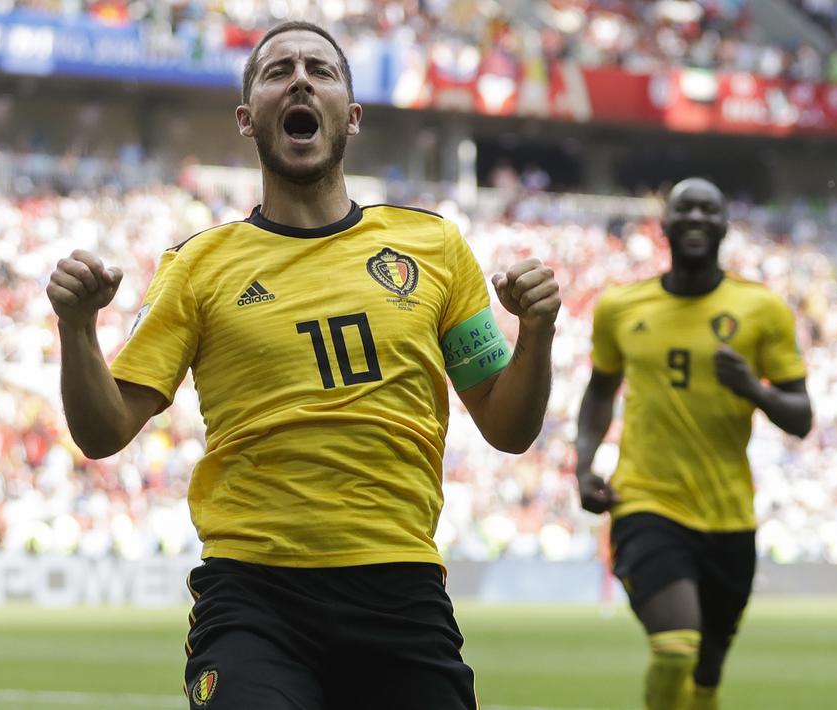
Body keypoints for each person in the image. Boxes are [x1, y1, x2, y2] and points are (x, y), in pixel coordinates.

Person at [45, 21, 561, 710]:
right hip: (254, 596)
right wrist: (77, 327)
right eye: (276, 70)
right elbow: (103, 432)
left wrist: (537, 332)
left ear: (350, 116)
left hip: (398, 588)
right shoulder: (197, 266)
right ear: (245, 117)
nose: (298, 78)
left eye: (319, 69)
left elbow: (507, 425)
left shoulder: (432, 247)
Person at [573, 178, 812, 710]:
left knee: (705, 675)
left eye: (709, 209)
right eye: (685, 209)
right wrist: (584, 465)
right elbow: (599, 393)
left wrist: (753, 388)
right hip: (646, 502)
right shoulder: (621, 307)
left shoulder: (761, 309)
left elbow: (801, 418)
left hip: (729, 516)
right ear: (666, 223)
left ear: (725, 225)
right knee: (676, 649)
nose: (697, 218)